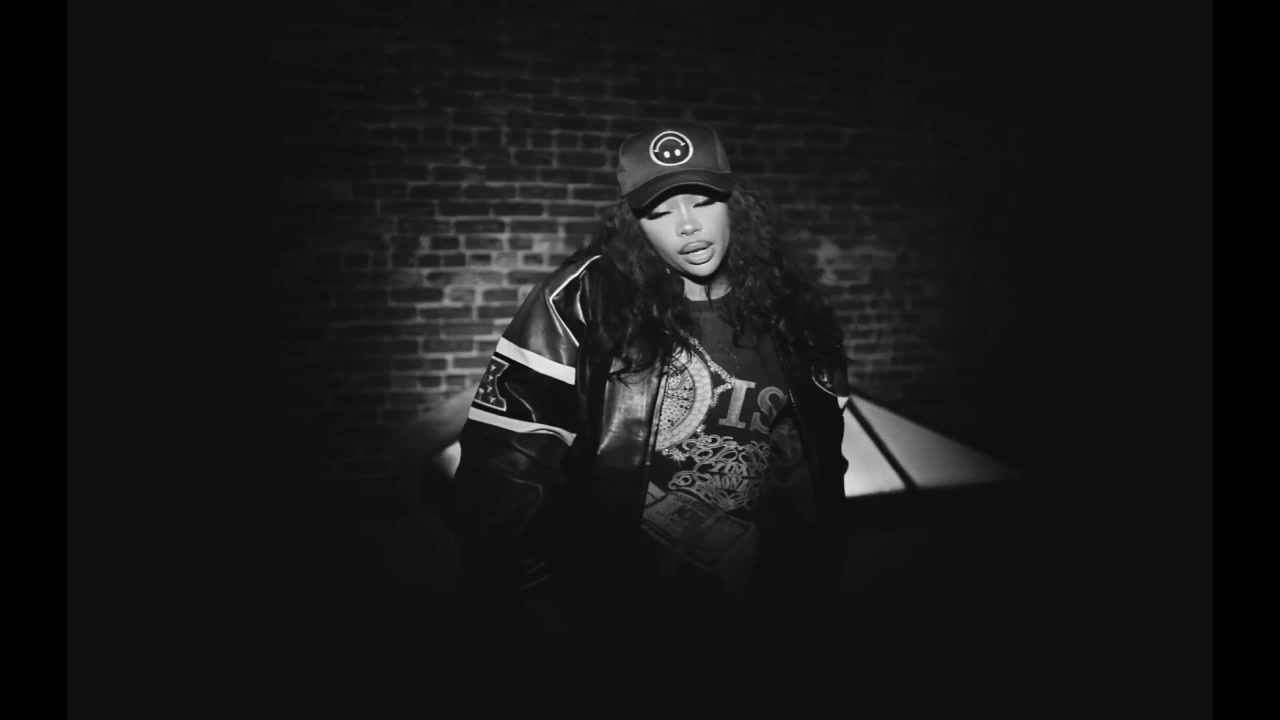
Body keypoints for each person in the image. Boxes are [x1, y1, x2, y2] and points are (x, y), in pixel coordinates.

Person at [449, 121, 854, 667]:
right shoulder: (581, 299)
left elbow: (814, 470)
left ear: (736, 204)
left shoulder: (790, 310)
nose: (687, 225)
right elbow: (507, 460)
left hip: (751, 615)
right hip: (610, 616)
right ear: (633, 224)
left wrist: (811, 596)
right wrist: (531, 604)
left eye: (703, 202)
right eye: (660, 212)